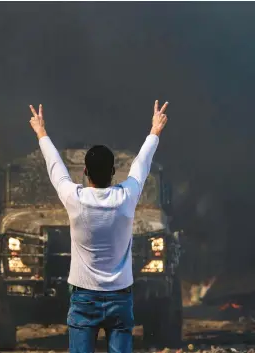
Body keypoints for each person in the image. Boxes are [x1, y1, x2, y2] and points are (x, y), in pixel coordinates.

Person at [28, 100, 169, 353]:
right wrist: (154, 131)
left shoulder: (75, 199)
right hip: (120, 297)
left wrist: (41, 132)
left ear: (85, 171)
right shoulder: (126, 198)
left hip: (84, 299)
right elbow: (141, 166)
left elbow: (56, 169)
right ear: (114, 171)